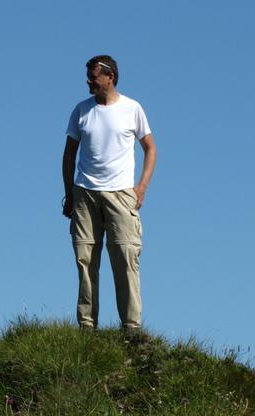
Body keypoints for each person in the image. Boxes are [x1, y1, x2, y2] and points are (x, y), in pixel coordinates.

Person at [62, 55, 157, 331]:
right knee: (85, 259)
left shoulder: (132, 108)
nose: (89, 82)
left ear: (110, 77)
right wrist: (69, 192)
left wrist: (141, 187)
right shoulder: (81, 110)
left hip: (121, 194)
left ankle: (131, 327)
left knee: (125, 257)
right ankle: (87, 325)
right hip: (85, 194)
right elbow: (69, 154)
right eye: (89, 77)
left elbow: (150, 148)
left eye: (93, 77)